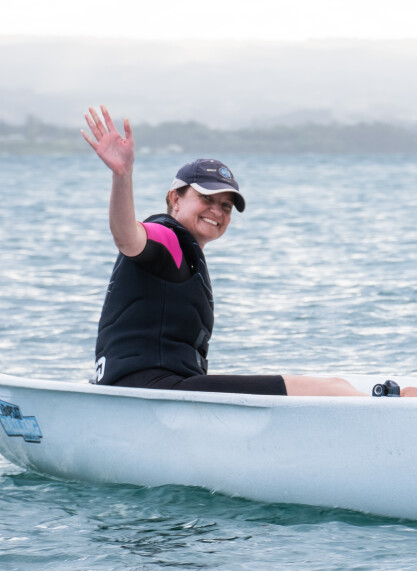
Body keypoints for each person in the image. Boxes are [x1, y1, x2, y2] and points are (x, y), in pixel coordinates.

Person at [82, 105, 360, 396]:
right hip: (148, 389)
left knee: (337, 387)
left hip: (153, 389)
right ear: (175, 199)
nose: (217, 211)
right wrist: (122, 175)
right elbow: (127, 237)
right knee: (334, 389)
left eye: (226, 206)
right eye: (206, 198)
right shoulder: (167, 238)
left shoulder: (187, 254)